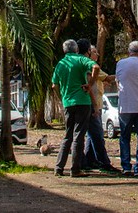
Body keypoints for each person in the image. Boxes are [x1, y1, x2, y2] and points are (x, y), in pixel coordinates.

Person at [51, 39, 100, 177]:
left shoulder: (61, 64)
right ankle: (75, 169)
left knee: (67, 135)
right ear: (76, 49)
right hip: (83, 102)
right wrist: (90, 84)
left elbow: (54, 85)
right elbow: (96, 68)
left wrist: (62, 98)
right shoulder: (80, 59)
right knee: (79, 135)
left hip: (68, 103)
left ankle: (59, 167)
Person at [80, 41, 120, 173]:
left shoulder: (82, 65)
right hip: (93, 103)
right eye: (94, 52)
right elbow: (107, 78)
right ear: (89, 53)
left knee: (90, 135)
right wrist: (123, 75)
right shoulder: (90, 65)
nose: (97, 54)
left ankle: (89, 161)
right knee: (97, 135)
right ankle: (103, 163)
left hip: (92, 103)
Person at [115, 40, 138, 176]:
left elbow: (118, 81)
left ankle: (126, 166)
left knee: (124, 137)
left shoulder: (120, 63)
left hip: (125, 106)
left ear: (128, 51)